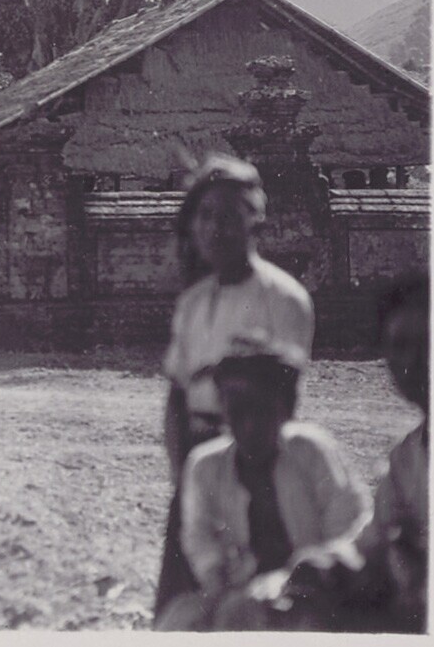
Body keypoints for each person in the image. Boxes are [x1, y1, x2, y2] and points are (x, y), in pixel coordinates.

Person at [153, 155, 315, 620]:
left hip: (254, 462)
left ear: (255, 219)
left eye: (228, 215)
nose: (214, 228)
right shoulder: (192, 304)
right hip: (197, 462)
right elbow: (178, 394)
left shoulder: (284, 300)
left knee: (254, 602)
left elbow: (286, 401)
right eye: (204, 215)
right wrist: (182, 473)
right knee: (182, 607)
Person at [156, 346, 369, 631]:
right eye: (237, 411)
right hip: (240, 592)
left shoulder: (311, 451)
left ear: (284, 408)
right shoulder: (205, 466)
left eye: (262, 411)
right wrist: (217, 581)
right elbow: (199, 536)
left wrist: (311, 572)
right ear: (222, 408)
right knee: (177, 622)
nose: (250, 426)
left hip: (317, 588)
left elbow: (348, 522)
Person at [274, 273, 429, 633]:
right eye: (400, 345)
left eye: (428, 341)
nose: (417, 359)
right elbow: (373, 543)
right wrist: (326, 564)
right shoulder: (406, 458)